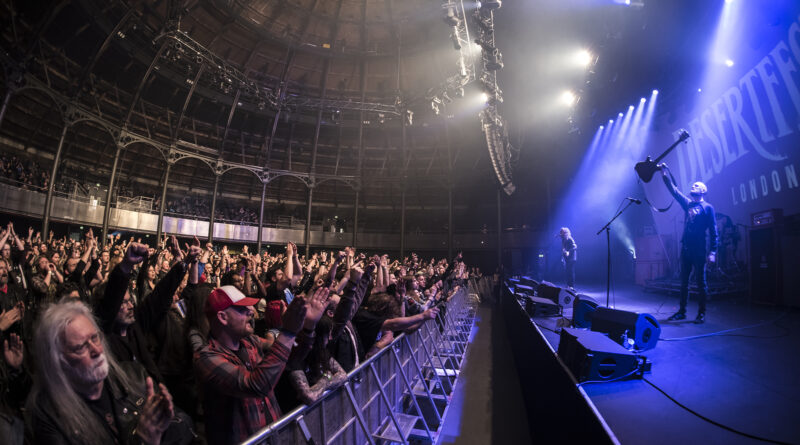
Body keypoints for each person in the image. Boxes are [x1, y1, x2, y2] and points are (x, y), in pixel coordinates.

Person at [25, 301, 194, 445]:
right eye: (81, 347)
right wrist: (142, 439)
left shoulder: (134, 375)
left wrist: (163, 424)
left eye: (95, 338)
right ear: (58, 360)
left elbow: (185, 424)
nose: (97, 350)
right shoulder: (48, 418)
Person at [194, 283, 329, 445]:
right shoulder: (206, 357)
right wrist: (288, 332)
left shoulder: (250, 341)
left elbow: (291, 358)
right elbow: (256, 385)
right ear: (223, 317)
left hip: (272, 437)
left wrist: (308, 326)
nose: (251, 311)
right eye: (241, 309)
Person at [660, 164, 718, 324]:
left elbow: (714, 231)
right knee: (684, 283)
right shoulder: (688, 204)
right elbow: (674, 191)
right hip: (686, 249)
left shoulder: (708, 208)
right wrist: (664, 173)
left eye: (697, 185)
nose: (693, 186)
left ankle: (701, 313)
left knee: (701, 283)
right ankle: (682, 311)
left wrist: (713, 252)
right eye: (693, 185)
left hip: (699, 250)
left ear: (703, 191)